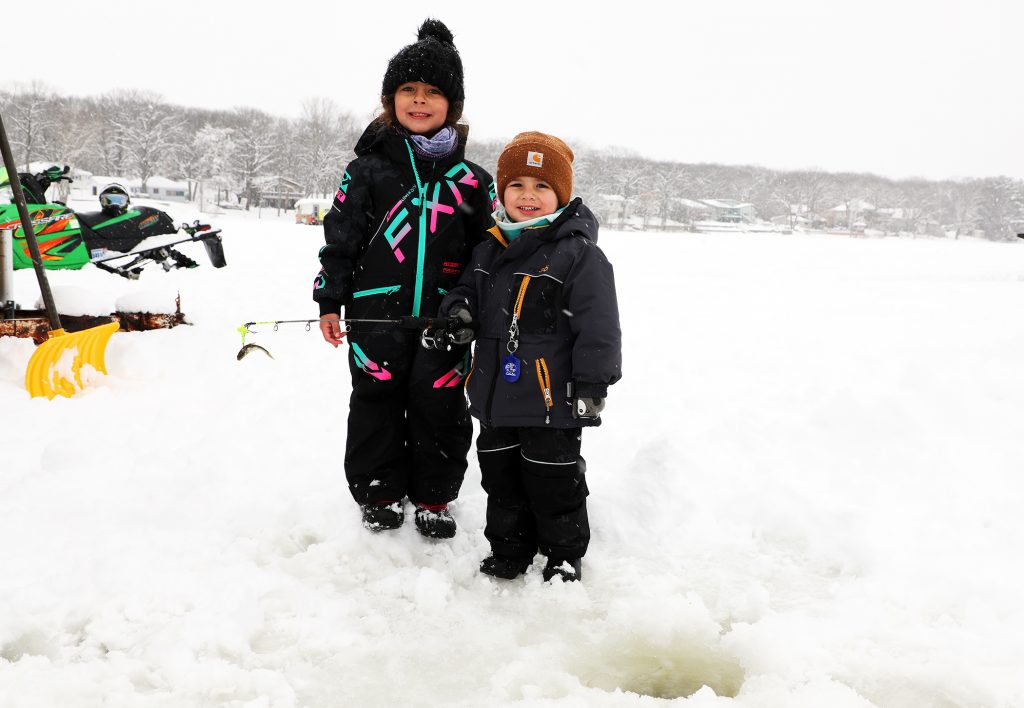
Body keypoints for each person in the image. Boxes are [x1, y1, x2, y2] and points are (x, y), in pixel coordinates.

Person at [312, 19, 496, 539]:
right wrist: (330, 299)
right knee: (376, 398)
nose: (419, 100)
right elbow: (340, 237)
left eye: (433, 92)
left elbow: (488, 252)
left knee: (440, 401)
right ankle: (379, 491)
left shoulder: (472, 180)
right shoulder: (367, 169)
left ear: (452, 106)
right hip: (376, 313)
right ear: (390, 99)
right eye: (408, 90)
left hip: (446, 318)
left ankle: (435, 496)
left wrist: (476, 308)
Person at [438, 132, 622, 582]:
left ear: (561, 193)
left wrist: (593, 383)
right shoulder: (489, 248)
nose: (528, 196)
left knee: (553, 480)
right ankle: (510, 548)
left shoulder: (578, 254)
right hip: (496, 395)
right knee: (500, 479)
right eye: (517, 184)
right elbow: (466, 294)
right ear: (502, 193)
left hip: (550, 398)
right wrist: (457, 312)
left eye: (541, 186)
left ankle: (563, 552)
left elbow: (598, 326)